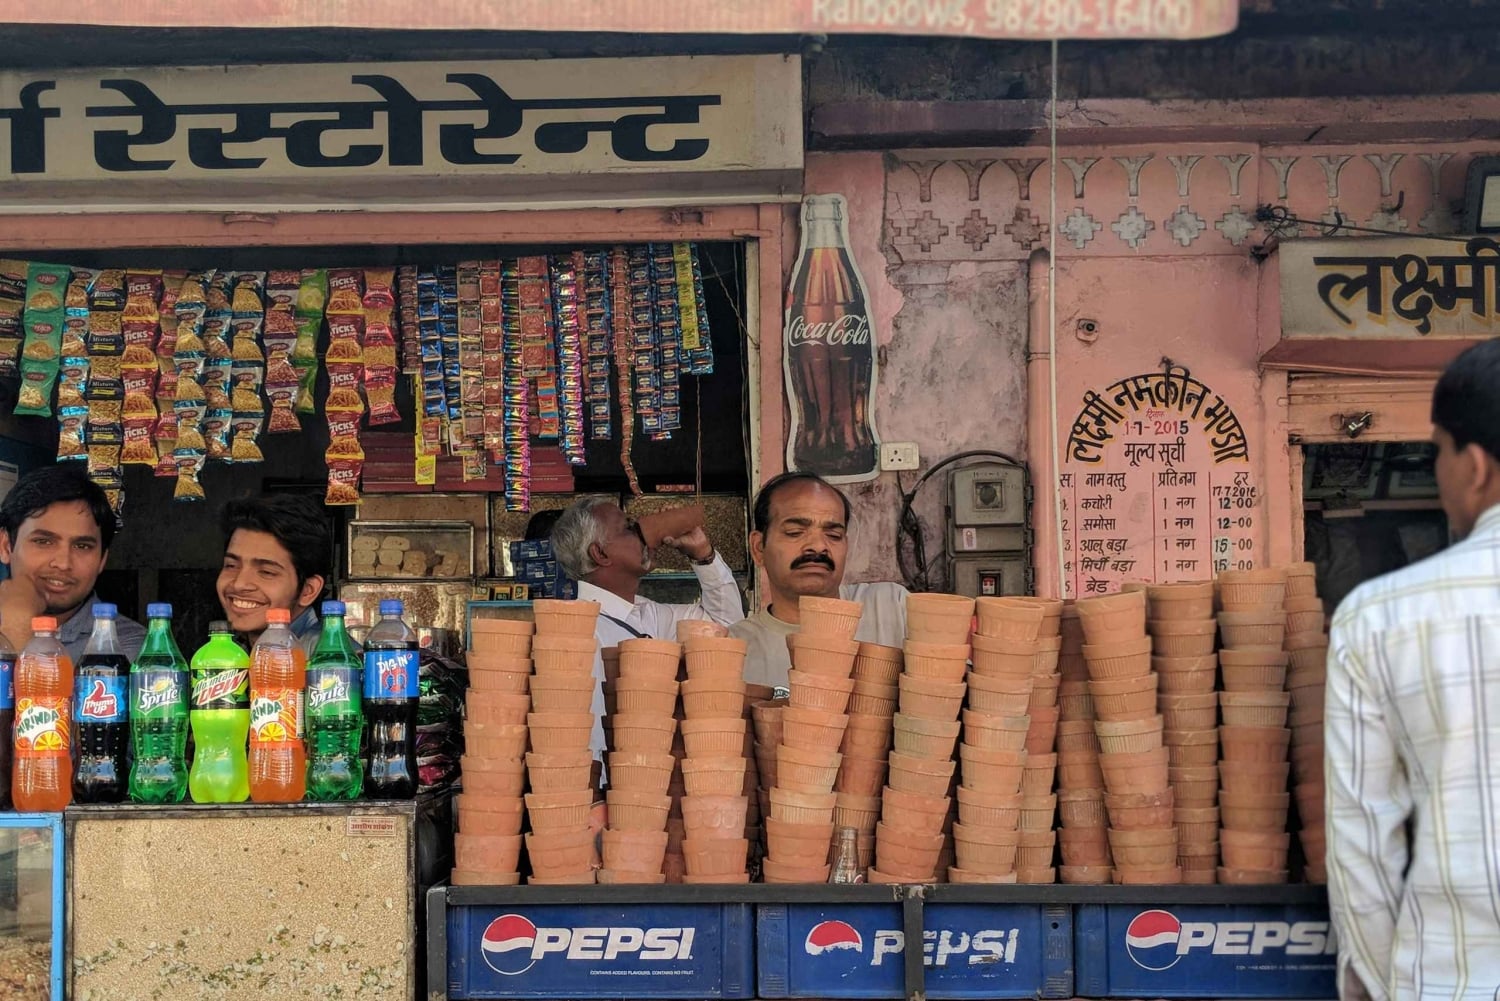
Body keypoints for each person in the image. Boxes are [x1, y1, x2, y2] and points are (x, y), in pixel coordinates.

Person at [1326, 337, 1500, 1001]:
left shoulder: (1380, 618)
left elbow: (1363, 839)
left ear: (1475, 466)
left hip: (1448, 978)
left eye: (1438, 452)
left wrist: (1372, 978)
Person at [551, 497, 745, 754]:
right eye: (628, 529)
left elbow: (724, 626)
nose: (643, 532)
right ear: (600, 553)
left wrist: (703, 555)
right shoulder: (579, 631)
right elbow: (585, 739)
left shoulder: (647, 614)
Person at [731, 471, 908, 688]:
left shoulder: (892, 607)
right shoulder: (733, 651)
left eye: (833, 536)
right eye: (795, 532)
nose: (818, 546)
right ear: (759, 548)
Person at [0, 464, 145, 661]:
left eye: (82, 546)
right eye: (43, 541)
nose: (63, 563)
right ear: (6, 546)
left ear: (102, 559)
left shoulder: (125, 646)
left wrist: (17, 630)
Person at [217, 493, 334, 655]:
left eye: (266, 572)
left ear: (308, 590)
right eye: (231, 565)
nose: (239, 584)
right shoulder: (232, 651)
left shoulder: (332, 664)